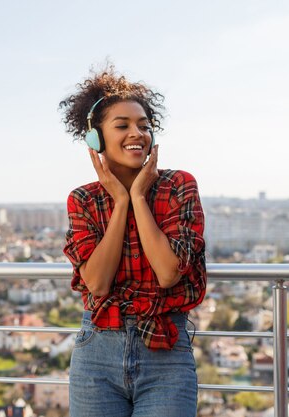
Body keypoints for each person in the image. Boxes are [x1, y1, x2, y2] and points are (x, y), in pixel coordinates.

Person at [60, 65, 207, 417]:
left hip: (166, 352)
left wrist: (138, 197)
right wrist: (121, 202)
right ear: (96, 138)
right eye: (122, 125)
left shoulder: (178, 186)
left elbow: (168, 272)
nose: (136, 133)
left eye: (144, 125)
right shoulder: (83, 199)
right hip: (97, 351)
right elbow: (96, 282)